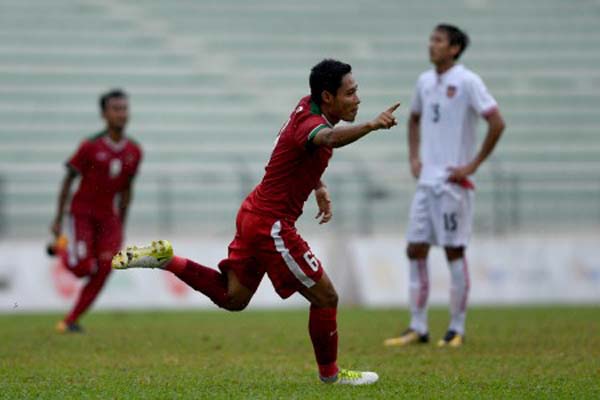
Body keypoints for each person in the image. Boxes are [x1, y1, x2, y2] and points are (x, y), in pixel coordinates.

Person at [112, 59, 399, 385]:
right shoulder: (313, 124)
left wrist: (317, 185)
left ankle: (167, 260)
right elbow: (326, 139)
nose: (358, 99)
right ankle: (331, 376)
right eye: (351, 93)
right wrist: (373, 126)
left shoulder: (307, 106)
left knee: (233, 298)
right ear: (328, 96)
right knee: (326, 297)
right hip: (271, 225)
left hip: (254, 211)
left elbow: (295, 152)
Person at [384, 24, 505, 348]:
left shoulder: (468, 81)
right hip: (427, 181)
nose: (431, 45)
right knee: (415, 248)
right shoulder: (425, 81)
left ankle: (456, 328)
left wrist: (473, 164)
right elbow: (413, 119)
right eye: (431, 39)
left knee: (453, 250)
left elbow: (497, 121)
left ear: (454, 48)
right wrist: (413, 158)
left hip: (455, 182)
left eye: (438, 40)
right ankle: (418, 327)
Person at [49, 89, 142, 333]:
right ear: (104, 114)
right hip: (82, 213)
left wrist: (121, 227)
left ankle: (70, 320)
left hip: (108, 218)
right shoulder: (90, 146)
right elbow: (69, 179)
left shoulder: (134, 151)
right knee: (82, 269)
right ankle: (61, 246)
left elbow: (126, 191)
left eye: (124, 109)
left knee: (105, 268)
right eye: (116, 109)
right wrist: (59, 219)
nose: (122, 114)